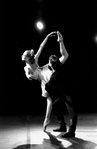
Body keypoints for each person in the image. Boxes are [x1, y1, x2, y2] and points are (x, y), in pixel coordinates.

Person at [44, 31, 77, 138]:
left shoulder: (54, 75)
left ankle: (71, 131)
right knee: (55, 105)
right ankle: (62, 125)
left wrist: (44, 81)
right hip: (62, 93)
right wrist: (60, 41)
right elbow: (65, 54)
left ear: (51, 65)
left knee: (71, 110)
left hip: (69, 92)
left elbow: (47, 87)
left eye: (49, 63)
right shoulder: (59, 65)